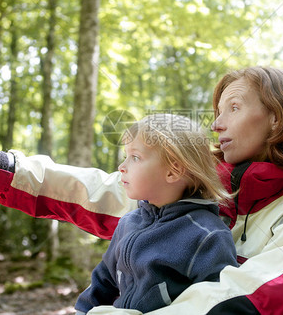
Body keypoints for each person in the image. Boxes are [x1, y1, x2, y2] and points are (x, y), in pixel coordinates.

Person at [0, 66, 283, 314]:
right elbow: (103, 191)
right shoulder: (201, 194)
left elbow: (257, 289)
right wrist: (5, 168)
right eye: (217, 111)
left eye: (234, 108)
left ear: (278, 118)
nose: (216, 124)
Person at [74, 114, 238, 314]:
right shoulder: (129, 222)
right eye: (126, 156)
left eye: (135, 157)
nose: (122, 167)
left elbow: (221, 302)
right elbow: (103, 278)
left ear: (173, 171)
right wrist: (82, 310)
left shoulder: (207, 235)